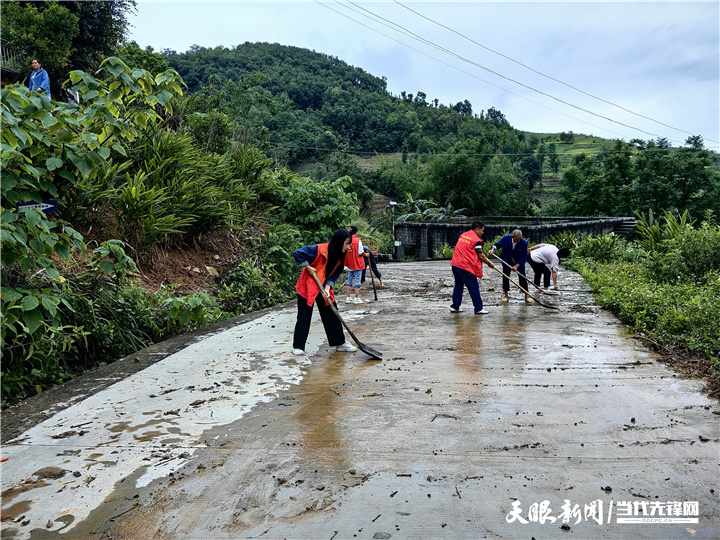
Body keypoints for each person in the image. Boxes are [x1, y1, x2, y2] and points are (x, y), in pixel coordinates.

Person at [292, 229, 358, 355]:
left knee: (332, 313)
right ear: (339, 242)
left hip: (323, 286)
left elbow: (335, 274)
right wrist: (308, 267)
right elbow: (297, 253)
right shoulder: (318, 249)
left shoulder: (340, 255)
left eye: (349, 243)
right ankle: (298, 346)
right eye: (346, 243)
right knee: (304, 316)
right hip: (308, 285)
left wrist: (327, 289)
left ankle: (340, 343)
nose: (348, 247)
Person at [449, 221, 495, 315]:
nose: (482, 233)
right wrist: (490, 263)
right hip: (465, 267)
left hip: (455, 264)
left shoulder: (463, 235)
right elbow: (481, 256)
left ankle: (455, 307)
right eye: (482, 230)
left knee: (458, 286)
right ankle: (478, 308)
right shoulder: (476, 240)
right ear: (476, 229)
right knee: (474, 287)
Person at [488, 229, 532, 303]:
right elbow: (497, 245)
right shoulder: (506, 238)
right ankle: (506, 295)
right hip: (506, 259)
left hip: (518, 261)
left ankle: (526, 295)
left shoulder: (523, 242)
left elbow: (524, 256)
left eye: (519, 239)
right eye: (516, 239)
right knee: (505, 276)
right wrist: (493, 250)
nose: (518, 241)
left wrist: (516, 266)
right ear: (512, 237)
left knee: (522, 276)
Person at [344, 225, 365, 304]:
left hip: (349, 263)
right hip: (357, 263)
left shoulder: (346, 240)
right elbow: (360, 252)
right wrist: (366, 255)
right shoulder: (357, 240)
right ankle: (356, 298)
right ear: (356, 232)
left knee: (349, 280)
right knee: (357, 280)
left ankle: (348, 297)